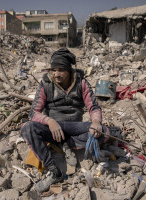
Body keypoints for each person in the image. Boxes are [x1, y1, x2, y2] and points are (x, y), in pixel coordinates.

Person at [21, 48, 110, 194]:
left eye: (61, 70)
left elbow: (93, 106)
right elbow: (33, 113)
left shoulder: (81, 83)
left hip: (74, 126)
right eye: (53, 70)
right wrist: (49, 121)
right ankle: (53, 170)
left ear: (69, 70)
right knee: (28, 128)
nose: (56, 74)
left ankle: (66, 144)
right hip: (53, 128)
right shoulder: (46, 84)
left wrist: (95, 122)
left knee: (104, 132)